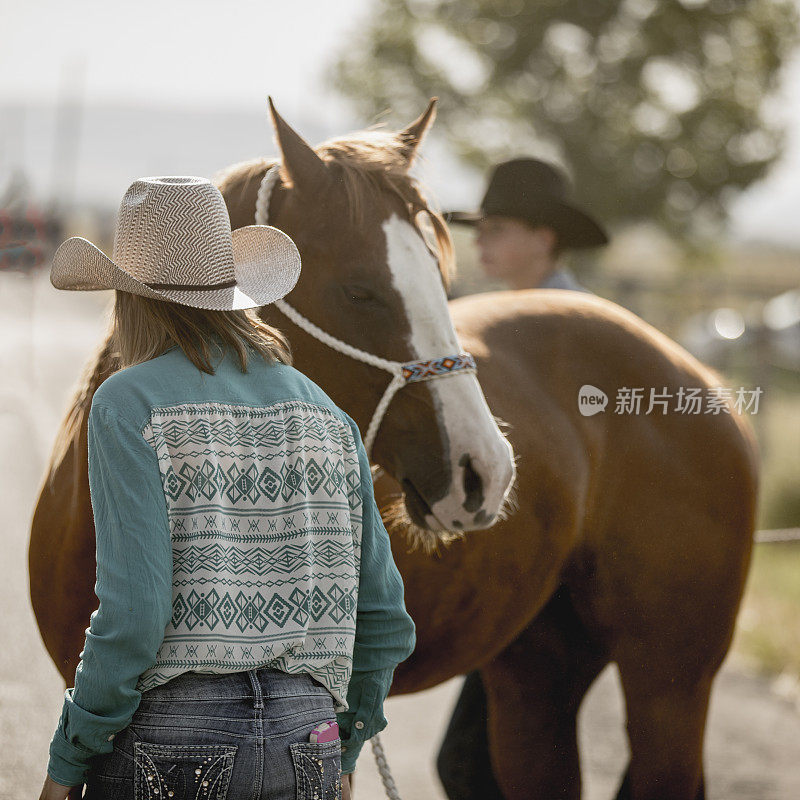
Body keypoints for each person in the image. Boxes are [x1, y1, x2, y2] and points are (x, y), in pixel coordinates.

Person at [39, 176, 416, 800]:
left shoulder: (129, 402)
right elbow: (385, 616)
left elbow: (134, 617)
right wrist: (345, 740)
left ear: (131, 301)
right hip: (308, 736)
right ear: (234, 292)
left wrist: (69, 757)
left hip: (174, 733)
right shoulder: (325, 412)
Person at [439, 159, 608, 800]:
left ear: (545, 237)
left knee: (475, 762)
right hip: (509, 564)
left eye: (499, 227)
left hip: (558, 570)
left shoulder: (589, 334)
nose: (480, 241)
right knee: (484, 761)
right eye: (479, 228)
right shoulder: (474, 322)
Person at [447, 157, 609, 294]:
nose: (478, 242)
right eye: (479, 230)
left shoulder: (578, 318)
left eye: (496, 229)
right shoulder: (510, 313)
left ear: (543, 240)